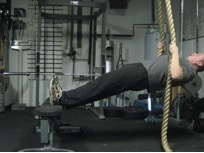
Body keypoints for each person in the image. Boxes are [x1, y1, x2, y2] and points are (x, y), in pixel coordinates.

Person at [45, 42, 204, 108]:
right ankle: (66, 101)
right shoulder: (183, 63)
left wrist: (175, 52)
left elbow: (175, 75)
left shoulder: (191, 71)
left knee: (103, 84)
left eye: (198, 54)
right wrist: (161, 52)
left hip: (142, 74)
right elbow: (164, 68)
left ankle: (63, 98)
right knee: (104, 88)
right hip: (142, 72)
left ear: (200, 63)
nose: (194, 53)